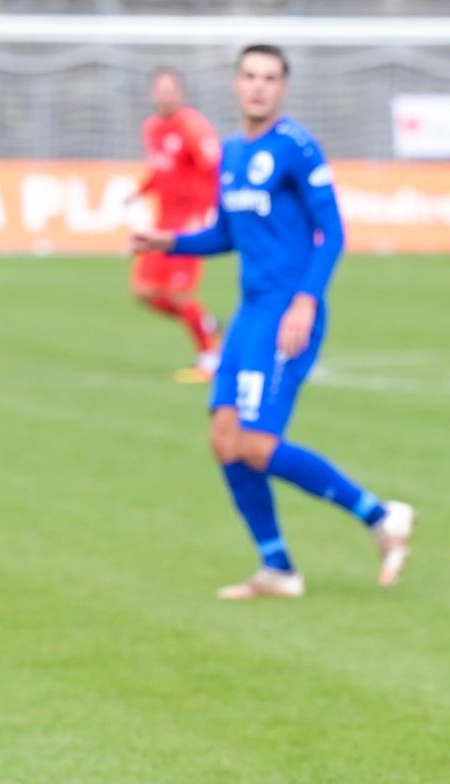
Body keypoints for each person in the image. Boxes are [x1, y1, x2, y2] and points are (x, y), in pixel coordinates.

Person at [130, 45, 413, 600]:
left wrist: (306, 301)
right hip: (249, 314)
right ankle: (277, 568)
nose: (259, 86)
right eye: (250, 76)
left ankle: (381, 517)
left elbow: (332, 232)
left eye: (270, 78)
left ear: (282, 87)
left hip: (287, 314)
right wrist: (169, 241)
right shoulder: (232, 152)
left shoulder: (296, 146)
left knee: (257, 443)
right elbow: (226, 234)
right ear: (236, 83)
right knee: (224, 439)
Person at [128, 68, 222, 382]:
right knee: (144, 291)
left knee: (181, 294)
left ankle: (209, 358)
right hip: (162, 224)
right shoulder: (152, 128)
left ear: (180, 93)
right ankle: (206, 323)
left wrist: (206, 212)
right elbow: (160, 171)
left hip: (188, 224)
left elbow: (213, 169)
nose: (166, 95)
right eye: (161, 89)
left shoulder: (193, 126)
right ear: (153, 94)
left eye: (171, 89)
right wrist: (139, 191)